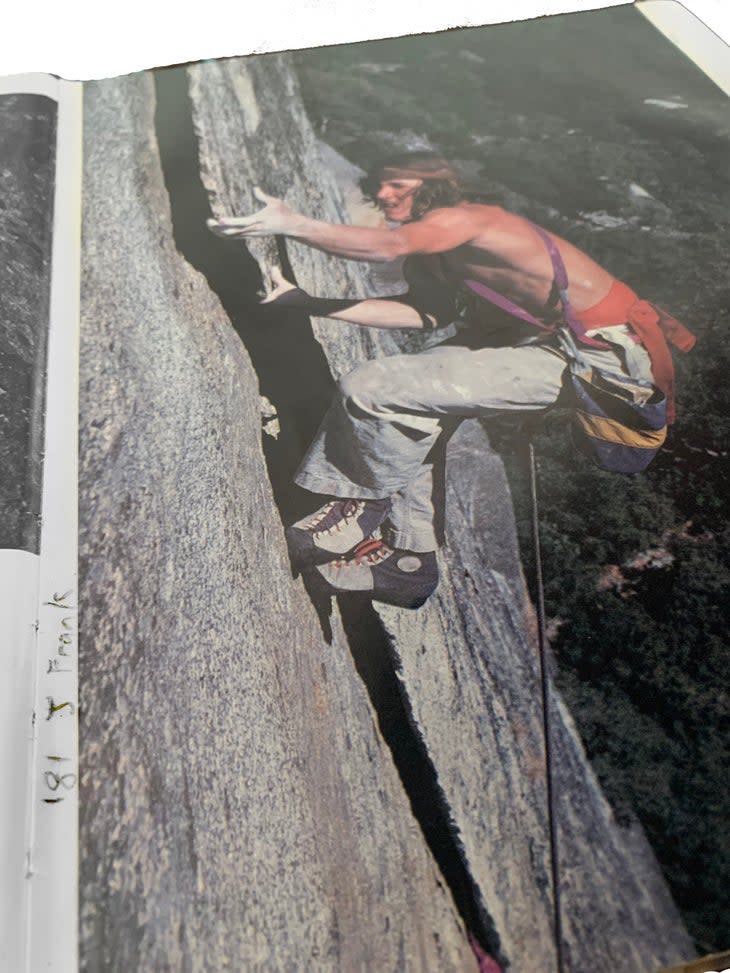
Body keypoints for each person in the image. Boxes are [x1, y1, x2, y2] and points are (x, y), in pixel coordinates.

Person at [207, 151, 692, 608]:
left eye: (399, 183)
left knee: (376, 388)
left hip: (598, 356)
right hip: (539, 342)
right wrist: (306, 303)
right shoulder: (435, 254)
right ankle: (409, 561)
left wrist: (295, 225)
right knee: (416, 406)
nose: (388, 195)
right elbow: (424, 313)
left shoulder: (471, 219)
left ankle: (360, 506)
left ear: (441, 183)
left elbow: (388, 247)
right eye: (381, 188)